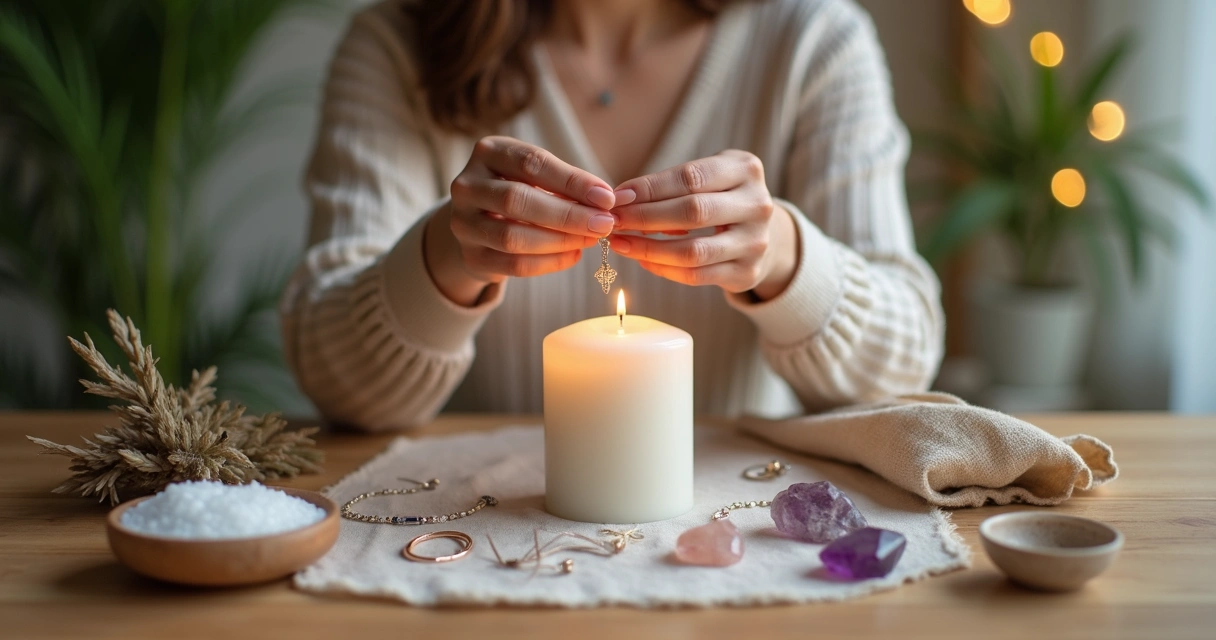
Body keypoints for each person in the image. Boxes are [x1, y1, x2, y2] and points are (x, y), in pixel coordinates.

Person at [279, 0, 944, 431]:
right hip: (492, 538)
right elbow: (339, 385)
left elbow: (901, 370)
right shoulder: (401, 46)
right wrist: (446, 255)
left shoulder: (813, 41)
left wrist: (783, 257)